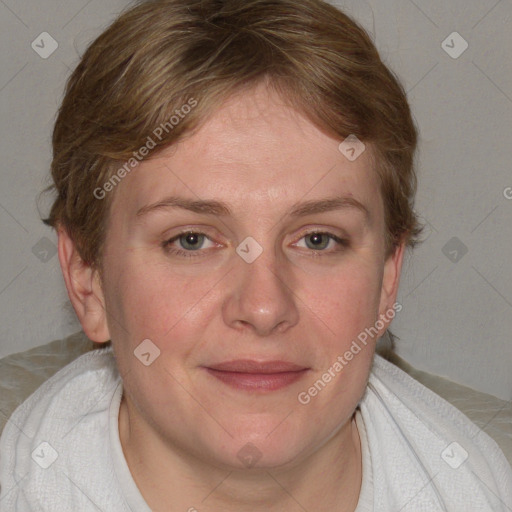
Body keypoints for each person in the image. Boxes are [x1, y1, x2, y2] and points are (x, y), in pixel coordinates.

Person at [0, 0, 511, 510]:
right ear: (87, 278)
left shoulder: (472, 488)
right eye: (191, 240)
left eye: (318, 240)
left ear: (387, 277)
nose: (264, 308)